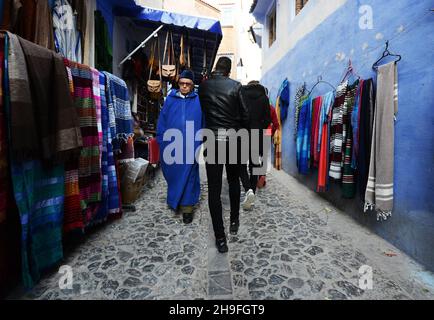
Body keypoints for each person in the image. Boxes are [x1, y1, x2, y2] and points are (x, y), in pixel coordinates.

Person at [198, 57, 249, 253]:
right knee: (234, 181)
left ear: (216, 68)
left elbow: (203, 112)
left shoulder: (203, 87)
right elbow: (245, 116)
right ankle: (234, 220)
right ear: (228, 71)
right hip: (233, 140)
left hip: (211, 140)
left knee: (214, 189)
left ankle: (220, 239)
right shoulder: (236, 87)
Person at [156, 69, 203, 224]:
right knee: (174, 173)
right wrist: (161, 139)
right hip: (172, 144)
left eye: (187, 84)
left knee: (189, 175)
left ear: (192, 85)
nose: (184, 86)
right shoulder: (170, 100)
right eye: (182, 83)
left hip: (191, 144)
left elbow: (203, 121)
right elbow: (162, 120)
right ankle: (175, 199)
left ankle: (187, 209)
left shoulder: (198, 100)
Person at [239, 81, 271, 210]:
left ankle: (248, 189)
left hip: (242, 133)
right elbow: (267, 119)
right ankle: (252, 190)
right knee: (254, 164)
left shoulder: (242, 95)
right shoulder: (264, 97)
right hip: (257, 134)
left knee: (240, 164)